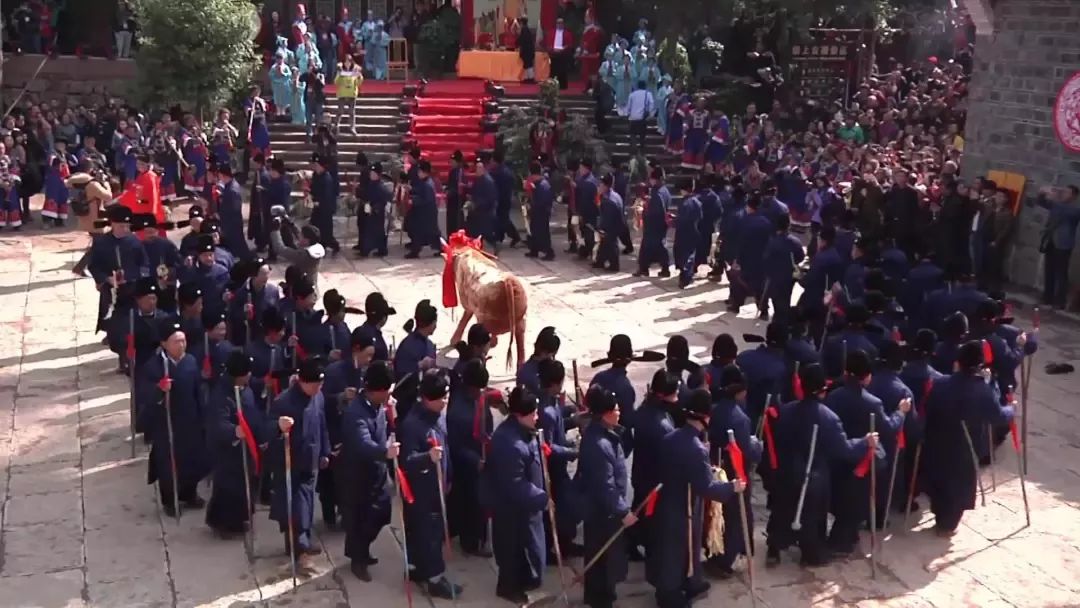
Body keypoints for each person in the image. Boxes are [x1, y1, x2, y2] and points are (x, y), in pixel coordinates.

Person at [764, 363, 877, 566]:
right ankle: (811, 554)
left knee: (782, 509)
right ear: (822, 389)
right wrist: (864, 441)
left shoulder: (786, 411)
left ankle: (775, 547)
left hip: (787, 471)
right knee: (812, 517)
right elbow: (844, 450)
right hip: (813, 475)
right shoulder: (828, 418)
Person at [646, 389, 745, 608]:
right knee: (676, 550)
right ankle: (669, 595)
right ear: (706, 417)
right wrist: (732, 487)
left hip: (669, 500)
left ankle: (690, 582)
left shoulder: (671, 438)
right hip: (682, 506)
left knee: (680, 549)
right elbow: (706, 487)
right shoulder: (695, 448)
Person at [922, 340, 1015, 535]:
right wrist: (1011, 407)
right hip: (965, 446)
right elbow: (997, 415)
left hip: (938, 440)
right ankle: (947, 524)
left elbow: (929, 408)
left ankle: (941, 516)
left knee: (941, 480)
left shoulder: (940, 383)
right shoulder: (982, 390)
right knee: (958, 486)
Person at [823, 349, 907, 553]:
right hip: (862, 458)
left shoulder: (833, 397)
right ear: (867, 376)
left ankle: (848, 536)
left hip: (838, 456)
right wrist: (900, 413)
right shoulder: (872, 403)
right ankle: (841, 543)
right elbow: (887, 428)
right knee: (855, 504)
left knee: (842, 498)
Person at [398, 369, 463, 599]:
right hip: (422, 490)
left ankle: (415, 567)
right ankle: (435, 578)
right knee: (429, 534)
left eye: (447, 396)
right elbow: (406, 460)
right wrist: (427, 457)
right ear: (427, 398)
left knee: (424, 533)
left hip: (439, 484)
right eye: (441, 398)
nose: (445, 401)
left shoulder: (439, 415)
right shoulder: (413, 425)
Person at [137, 318, 210, 518]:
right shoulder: (154, 366)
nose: (181, 345)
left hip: (190, 419)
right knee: (168, 463)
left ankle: (189, 493)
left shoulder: (190, 361)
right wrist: (160, 390)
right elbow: (145, 395)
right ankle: (170, 500)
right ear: (164, 344)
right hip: (166, 422)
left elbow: (198, 390)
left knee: (192, 459)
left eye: (183, 340)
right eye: (176, 341)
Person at [268, 356, 331, 574]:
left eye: (320, 384)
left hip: (310, 459)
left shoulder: (318, 397)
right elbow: (266, 431)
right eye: (315, 384)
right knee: (297, 508)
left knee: (306, 505)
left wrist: (325, 451)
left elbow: (322, 424)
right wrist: (278, 426)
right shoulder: (283, 402)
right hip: (289, 462)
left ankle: (299, 541)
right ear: (302, 382)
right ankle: (301, 551)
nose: (318, 388)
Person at [487, 386, 549, 603]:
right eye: (534, 413)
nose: (537, 417)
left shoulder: (525, 432)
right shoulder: (509, 443)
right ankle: (509, 588)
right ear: (520, 414)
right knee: (513, 551)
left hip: (526, 508)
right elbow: (514, 484)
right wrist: (542, 497)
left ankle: (521, 582)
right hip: (512, 510)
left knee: (529, 552)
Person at [339, 360, 399, 581]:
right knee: (360, 521)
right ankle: (358, 559)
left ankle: (361, 550)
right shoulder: (356, 413)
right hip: (359, 477)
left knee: (381, 515)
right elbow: (363, 443)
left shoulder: (379, 406)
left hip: (378, 474)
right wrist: (385, 452)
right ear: (378, 390)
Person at [576, 385, 633, 608]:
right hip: (602, 512)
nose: (619, 412)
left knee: (601, 557)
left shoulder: (606, 435)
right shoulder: (599, 445)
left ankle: (600, 594)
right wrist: (623, 510)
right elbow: (605, 486)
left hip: (604, 508)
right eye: (616, 409)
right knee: (603, 559)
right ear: (605, 413)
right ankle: (600, 599)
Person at [704, 365, 763, 578]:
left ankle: (720, 552)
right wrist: (757, 446)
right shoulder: (740, 419)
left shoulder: (714, 409)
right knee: (735, 515)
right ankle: (727, 559)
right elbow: (746, 450)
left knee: (718, 515)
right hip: (735, 470)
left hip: (716, 467)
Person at [205, 350, 266, 538]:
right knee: (228, 487)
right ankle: (224, 524)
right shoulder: (221, 395)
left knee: (245, 484)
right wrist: (234, 431)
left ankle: (240, 518)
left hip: (247, 445)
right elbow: (218, 422)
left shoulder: (245, 388)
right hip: (229, 449)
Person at [624, 369, 680, 561]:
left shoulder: (644, 410)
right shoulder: (660, 425)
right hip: (655, 478)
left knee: (639, 509)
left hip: (641, 472)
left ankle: (631, 542)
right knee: (652, 518)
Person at [446, 358, 496, 557]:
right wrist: (476, 460)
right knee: (469, 504)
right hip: (467, 465)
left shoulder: (478, 400)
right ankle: (471, 541)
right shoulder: (458, 411)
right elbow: (456, 445)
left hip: (480, 457)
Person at [536, 359, 580, 560]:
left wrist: (574, 417)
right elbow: (549, 447)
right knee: (559, 511)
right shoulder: (546, 411)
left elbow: (560, 424)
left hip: (559, 466)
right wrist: (573, 451)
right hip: (553, 471)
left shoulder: (552, 403)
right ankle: (553, 548)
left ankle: (564, 543)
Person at [1032, 184, 1080, 309]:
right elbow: (1040, 202)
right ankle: (1047, 297)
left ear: (1074, 196)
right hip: (1051, 241)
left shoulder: (1074, 209)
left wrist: (1053, 197)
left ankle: (1060, 301)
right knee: (1049, 270)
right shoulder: (1056, 205)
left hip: (1064, 244)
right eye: (1064, 191)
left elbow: (1065, 212)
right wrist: (1042, 192)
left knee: (1061, 273)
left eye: (1067, 192)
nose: (1064, 194)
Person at [634, 167, 672, 278]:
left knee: (649, 247)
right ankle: (663, 268)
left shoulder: (657, 193)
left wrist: (644, 211)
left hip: (653, 224)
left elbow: (656, 210)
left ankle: (644, 268)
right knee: (658, 247)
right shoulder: (665, 191)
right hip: (661, 224)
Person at [405, 160, 441, 258]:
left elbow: (426, 199)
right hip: (423, 213)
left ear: (425, 172)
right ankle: (415, 250)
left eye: (420, 171)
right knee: (419, 232)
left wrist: (414, 201)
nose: (418, 173)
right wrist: (411, 189)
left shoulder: (428, 184)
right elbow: (420, 191)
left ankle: (443, 248)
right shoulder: (424, 182)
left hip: (427, 213)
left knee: (432, 233)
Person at [673, 184, 703, 288]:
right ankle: (687, 275)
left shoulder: (683, 203)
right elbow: (700, 217)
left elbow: (681, 219)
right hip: (694, 230)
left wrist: (674, 221)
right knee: (690, 254)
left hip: (683, 231)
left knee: (684, 254)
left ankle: (684, 276)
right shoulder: (697, 202)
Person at [492, 150, 522, 248]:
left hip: (503, 199)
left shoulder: (501, 173)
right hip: (504, 198)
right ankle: (499, 237)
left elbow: (500, 187)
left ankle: (514, 236)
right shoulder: (503, 171)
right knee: (501, 218)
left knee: (503, 219)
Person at [525, 160, 555, 260]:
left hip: (542, 212)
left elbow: (542, 201)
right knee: (533, 230)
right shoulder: (538, 184)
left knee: (542, 232)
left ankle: (549, 252)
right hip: (536, 211)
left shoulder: (542, 185)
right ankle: (534, 249)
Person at [594, 174, 623, 272]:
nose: (599, 187)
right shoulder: (614, 195)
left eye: (600, 185)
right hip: (617, 223)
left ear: (605, 186)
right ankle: (600, 261)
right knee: (604, 244)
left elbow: (607, 218)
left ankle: (614, 265)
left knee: (610, 244)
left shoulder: (608, 200)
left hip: (612, 226)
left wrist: (601, 228)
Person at [467, 155, 497, 248]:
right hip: (478, 210)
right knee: (476, 232)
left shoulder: (488, 181)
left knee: (485, 233)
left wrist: (476, 204)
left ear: (483, 169)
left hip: (485, 212)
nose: (477, 170)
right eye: (476, 168)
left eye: (479, 168)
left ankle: (493, 246)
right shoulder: (479, 180)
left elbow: (490, 198)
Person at [575, 160, 600, 260]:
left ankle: (589, 251)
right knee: (584, 232)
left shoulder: (588, 182)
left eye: (581, 168)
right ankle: (584, 251)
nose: (580, 170)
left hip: (589, 212)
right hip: (589, 211)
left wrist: (581, 213)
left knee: (588, 232)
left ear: (586, 169)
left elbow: (585, 201)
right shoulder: (586, 180)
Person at [625, 81, 654, 154]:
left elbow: (628, 106)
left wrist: (628, 114)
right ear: (645, 86)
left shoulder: (632, 94)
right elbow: (651, 104)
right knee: (642, 135)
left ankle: (634, 149)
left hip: (633, 118)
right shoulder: (648, 94)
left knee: (632, 134)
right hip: (642, 118)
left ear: (637, 86)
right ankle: (641, 151)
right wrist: (650, 115)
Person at [547, 17, 575, 89]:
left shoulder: (567, 33)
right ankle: (552, 85)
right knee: (553, 70)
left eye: (561, 23)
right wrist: (552, 49)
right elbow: (549, 43)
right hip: (554, 54)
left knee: (562, 71)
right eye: (558, 23)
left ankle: (562, 86)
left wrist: (563, 49)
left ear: (563, 24)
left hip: (563, 55)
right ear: (556, 24)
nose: (559, 24)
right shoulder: (551, 32)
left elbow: (570, 44)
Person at [446, 151, 467, 236]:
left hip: (457, 200)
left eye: (453, 161)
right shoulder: (453, 171)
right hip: (452, 200)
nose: (451, 163)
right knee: (451, 221)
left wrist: (450, 192)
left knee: (456, 222)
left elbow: (459, 186)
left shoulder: (461, 172)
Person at [518, 17, 537, 83]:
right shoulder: (527, 29)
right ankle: (527, 78)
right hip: (529, 50)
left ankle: (530, 78)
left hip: (527, 50)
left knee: (528, 64)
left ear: (521, 22)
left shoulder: (524, 29)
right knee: (527, 64)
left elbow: (522, 40)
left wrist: (517, 43)